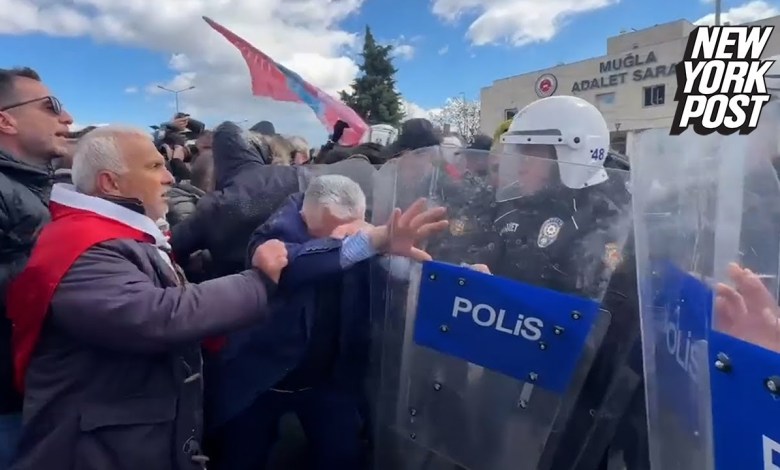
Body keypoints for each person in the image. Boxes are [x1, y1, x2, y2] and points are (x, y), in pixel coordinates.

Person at [5, 125, 289, 470]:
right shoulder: (81, 244)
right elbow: (155, 316)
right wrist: (258, 281)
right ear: (111, 183)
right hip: (94, 451)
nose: (170, 177)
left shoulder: (108, 234)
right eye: (154, 167)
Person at [0, 66, 73, 468]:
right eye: (51, 107)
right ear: (6, 119)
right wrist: (61, 255)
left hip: (33, 390)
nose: (67, 117)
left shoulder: (34, 185)